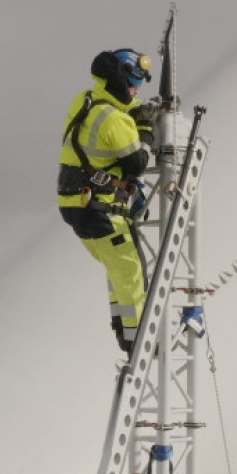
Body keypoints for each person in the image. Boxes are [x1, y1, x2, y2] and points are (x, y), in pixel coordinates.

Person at [58, 48, 160, 354]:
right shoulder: (115, 120)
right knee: (132, 273)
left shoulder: (85, 100)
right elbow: (137, 163)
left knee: (117, 271)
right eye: (133, 82)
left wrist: (134, 112)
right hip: (102, 210)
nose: (136, 89)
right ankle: (137, 340)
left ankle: (123, 329)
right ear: (119, 79)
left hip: (76, 206)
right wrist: (145, 130)